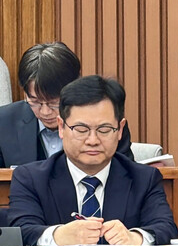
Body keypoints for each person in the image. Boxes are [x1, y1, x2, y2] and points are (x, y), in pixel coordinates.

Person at [8, 75, 177, 246]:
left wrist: (135, 238)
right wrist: (58, 235)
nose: (93, 140)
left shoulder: (144, 179)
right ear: (61, 127)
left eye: (104, 129)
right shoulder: (31, 179)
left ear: (120, 130)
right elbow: (20, 231)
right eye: (81, 129)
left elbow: (165, 228)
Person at [0, 42, 133, 168]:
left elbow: (124, 175)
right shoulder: (4, 123)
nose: (45, 112)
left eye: (54, 102)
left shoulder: (105, 123)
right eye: (35, 101)